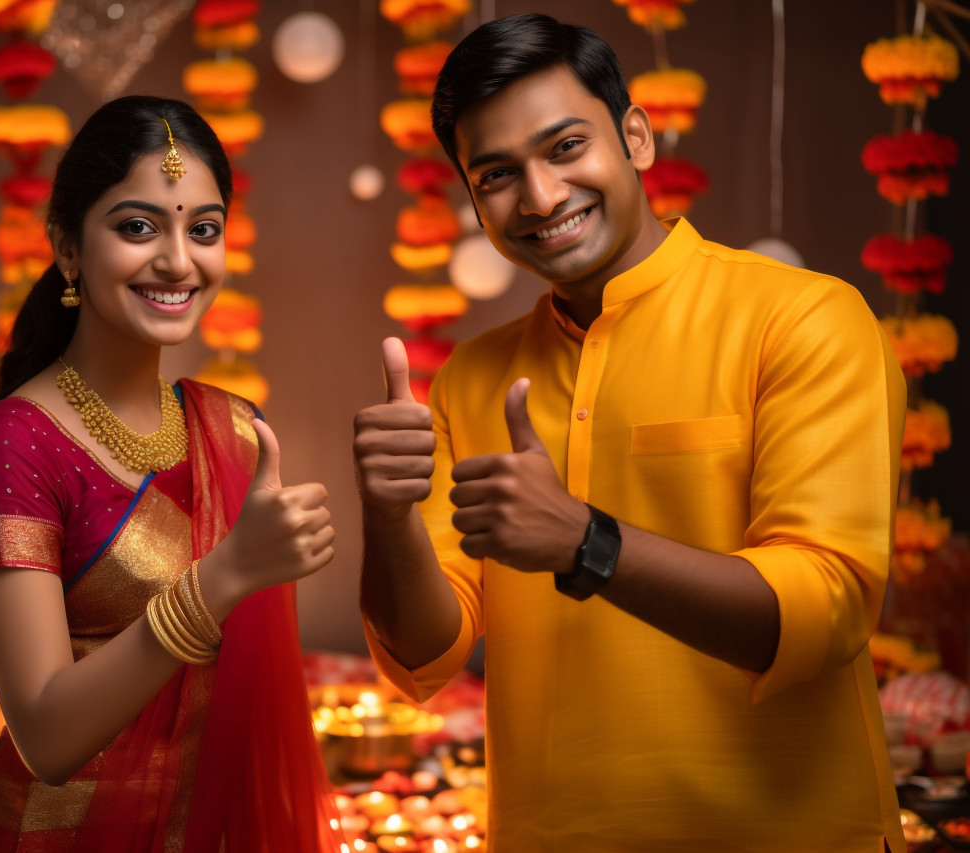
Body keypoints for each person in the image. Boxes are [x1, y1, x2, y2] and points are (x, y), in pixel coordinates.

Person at [353, 14, 906, 852]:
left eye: (566, 147)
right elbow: (425, 657)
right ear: (472, 198)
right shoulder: (469, 377)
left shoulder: (805, 319)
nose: (540, 198)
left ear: (637, 138)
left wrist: (586, 542)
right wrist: (388, 517)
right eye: (498, 174)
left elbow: (826, 609)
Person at [0, 96, 342, 852]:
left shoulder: (233, 430)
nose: (179, 261)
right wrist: (222, 578)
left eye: (204, 229)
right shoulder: (13, 443)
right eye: (137, 227)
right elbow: (48, 738)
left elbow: (248, 706)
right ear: (67, 247)